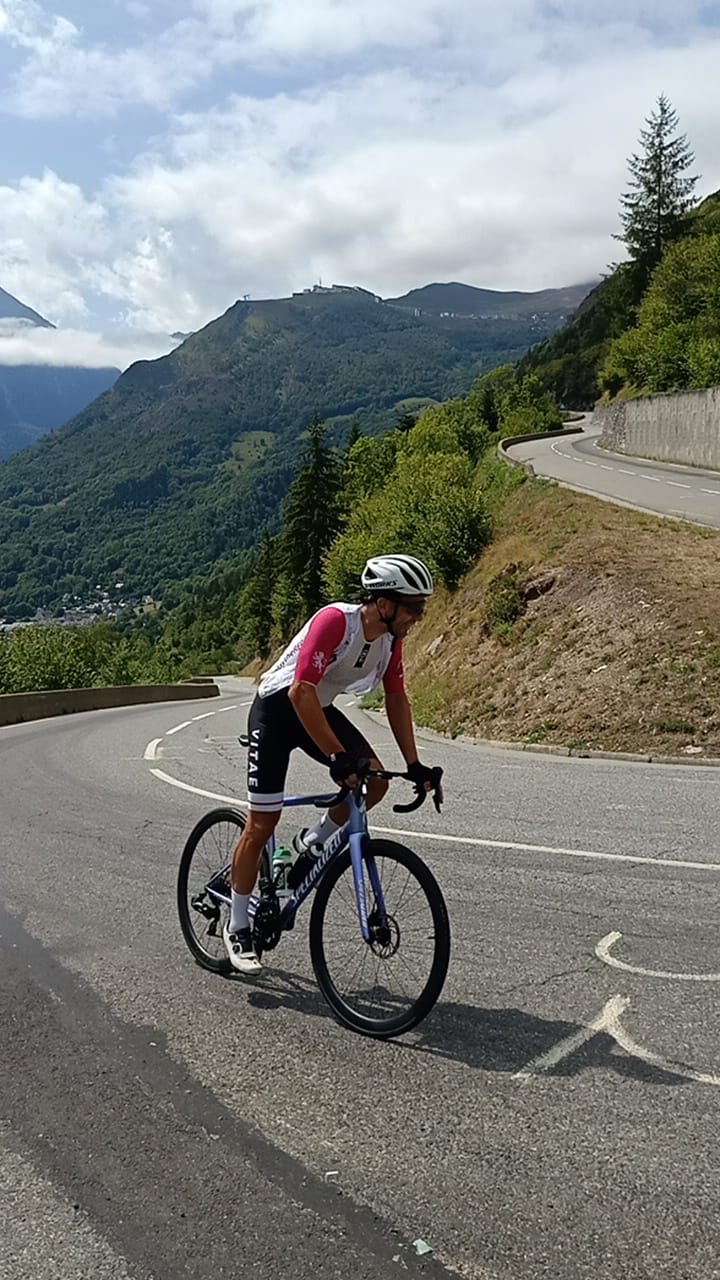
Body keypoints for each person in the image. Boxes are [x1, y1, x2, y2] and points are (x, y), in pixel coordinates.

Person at [224, 553, 444, 973]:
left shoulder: (389, 641)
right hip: (277, 711)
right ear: (384, 603)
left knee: (375, 782)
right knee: (262, 823)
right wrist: (338, 756)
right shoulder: (335, 622)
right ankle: (237, 925)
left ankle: (314, 841)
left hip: (316, 711)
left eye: (422, 607)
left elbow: (396, 698)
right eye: (413, 607)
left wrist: (414, 764)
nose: (419, 616)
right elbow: (299, 692)